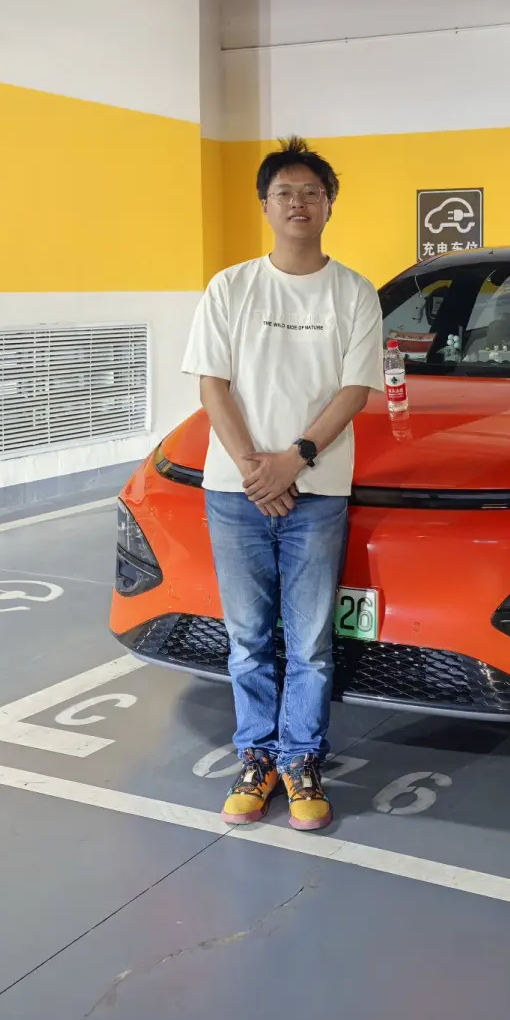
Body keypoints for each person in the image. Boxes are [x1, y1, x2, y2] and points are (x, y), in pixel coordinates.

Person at [181, 137, 383, 830]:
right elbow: (213, 385)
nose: (299, 203)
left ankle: (301, 760)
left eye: (312, 192)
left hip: (316, 492)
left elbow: (354, 390)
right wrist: (254, 469)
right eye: (285, 193)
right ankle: (255, 757)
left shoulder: (354, 292)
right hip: (234, 491)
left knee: (310, 641)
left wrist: (291, 461)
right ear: (265, 205)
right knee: (245, 636)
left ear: (330, 204)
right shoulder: (230, 287)